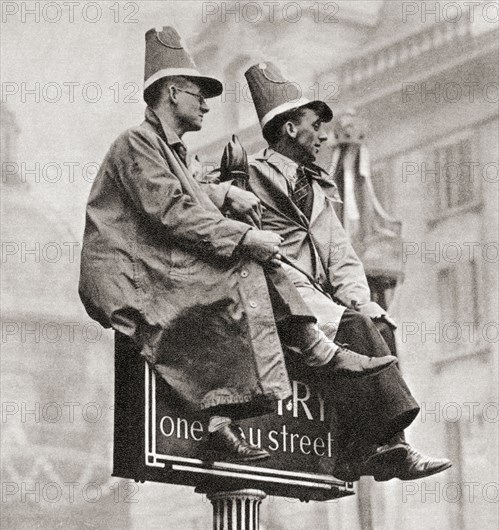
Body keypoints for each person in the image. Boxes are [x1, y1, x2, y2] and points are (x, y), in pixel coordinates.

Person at [79, 28, 417, 471]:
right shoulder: (137, 143)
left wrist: (224, 195)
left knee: (251, 269)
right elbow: (172, 211)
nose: (205, 105)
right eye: (199, 95)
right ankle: (298, 360)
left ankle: (231, 416)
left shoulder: (176, 153)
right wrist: (245, 236)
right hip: (133, 275)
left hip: (159, 265)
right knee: (244, 266)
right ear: (172, 92)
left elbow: (195, 190)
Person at [244, 61, 452, 481]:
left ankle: (381, 447)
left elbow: (342, 257)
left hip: (319, 301)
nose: (323, 136)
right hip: (281, 304)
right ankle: (388, 446)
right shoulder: (249, 176)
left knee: (379, 324)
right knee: (355, 326)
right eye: (315, 126)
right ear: (289, 129)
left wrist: (364, 301)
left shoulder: (319, 187)